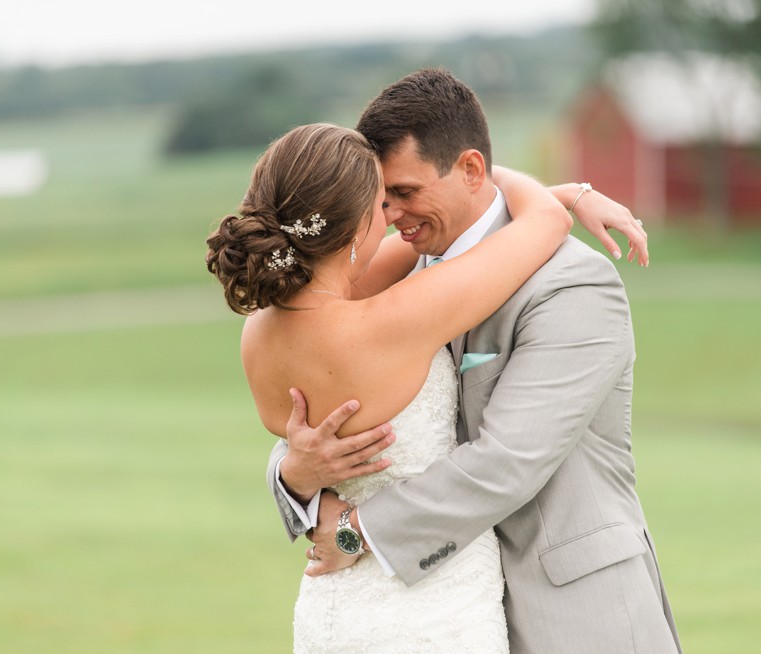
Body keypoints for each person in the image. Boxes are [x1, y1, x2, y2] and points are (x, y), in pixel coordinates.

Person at [269, 69, 683, 653]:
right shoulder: (395, 280)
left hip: (573, 618)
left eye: (406, 193)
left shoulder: (572, 285)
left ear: (469, 170)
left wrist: (356, 534)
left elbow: (507, 461)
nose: (391, 216)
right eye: (381, 199)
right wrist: (295, 476)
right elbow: (329, 408)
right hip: (437, 616)